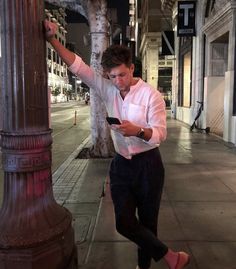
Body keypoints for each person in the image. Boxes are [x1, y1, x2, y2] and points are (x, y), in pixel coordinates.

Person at [44, 20, 190, 269]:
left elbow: (160, 134)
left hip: (149, 165)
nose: (118, 81)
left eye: (122, 74)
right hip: (121, 164)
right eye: (112, 76)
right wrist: (51, 39)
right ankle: (170, 256)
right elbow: (78, 66)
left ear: (131, 69)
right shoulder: (108, 88)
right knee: (123, 222)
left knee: (147, 223)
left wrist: (139, 131)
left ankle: (144, 266)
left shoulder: (151, 95)